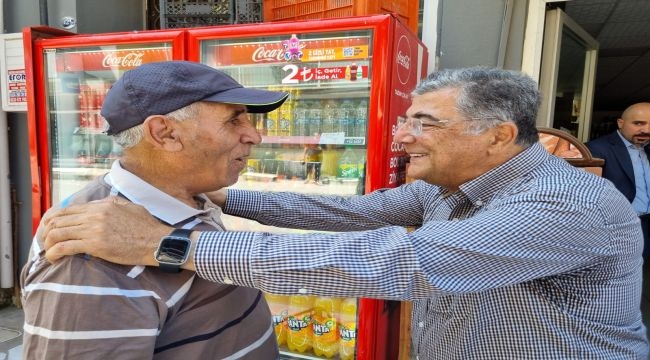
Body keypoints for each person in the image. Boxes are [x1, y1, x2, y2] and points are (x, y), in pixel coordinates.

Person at [42, 67, 649, 359]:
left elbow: (398, 262)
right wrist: (216, 198)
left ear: (497, 136)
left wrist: (169, 244)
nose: (404, 137)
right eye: (407, 120)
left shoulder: (565, 206)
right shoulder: (452, 183)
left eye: (425, 123)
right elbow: (353, 216)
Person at [20, 61, 288, 359]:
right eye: (234, 120)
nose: (254, 136)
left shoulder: (187, 197)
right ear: (165, 133)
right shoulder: (90, 257)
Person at [586, 102, 650, 258]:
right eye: (638, 123)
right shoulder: (595, 149)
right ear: (620, 123)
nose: (646, 130)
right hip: (618, 227)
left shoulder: (647, 148)